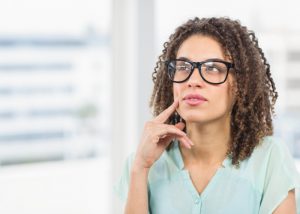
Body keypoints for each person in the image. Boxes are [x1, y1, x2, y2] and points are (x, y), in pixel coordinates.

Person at [115, 17, 300, 214]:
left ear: (241, 84)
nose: (193, 81)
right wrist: (140, 168)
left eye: (212, 68)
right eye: (183, 67)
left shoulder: (269, 159)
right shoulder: (143, 163)